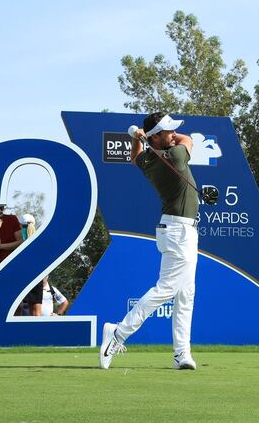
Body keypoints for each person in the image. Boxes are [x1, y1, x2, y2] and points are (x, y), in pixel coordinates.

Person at [100, 112, 200, 371]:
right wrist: (149, 137)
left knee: (185, 294)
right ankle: (119, 333)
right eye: (167, 131)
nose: (173, 134)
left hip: (179, 230)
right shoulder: (175, 157)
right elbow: (187, 139)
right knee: (167, 289)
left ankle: (182, 354)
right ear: (156, 137)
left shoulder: (149, 159)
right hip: (179, 232)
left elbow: (135, 158)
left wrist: (138, 138)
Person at [20, 214, 42, 317]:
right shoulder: (39, 241)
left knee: (23, 311)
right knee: (36, 313)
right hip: (37, 277)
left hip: (25, 277)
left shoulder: (20, 242)